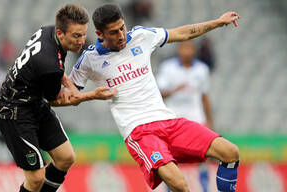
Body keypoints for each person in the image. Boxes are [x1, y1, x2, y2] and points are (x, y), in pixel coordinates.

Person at [62, 4, 240, 192]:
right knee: (179, 184)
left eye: (122, 27)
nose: (121, 35)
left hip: (168, 121)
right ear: (99, 34)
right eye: (113, 32)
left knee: (230, 152)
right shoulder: (90, 59)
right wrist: (92, 95)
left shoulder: (141, 36)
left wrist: (218, 22)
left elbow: (183, 33)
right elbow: (66, 97)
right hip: (140, 132)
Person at [0, 4, 116, 192]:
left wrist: (70, 85)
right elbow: (55, 100)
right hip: (14, 111)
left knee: (66, 157)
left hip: (32, 101)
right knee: (36, 178)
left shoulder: (48, 31)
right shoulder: (49, 64)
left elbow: (54, 67)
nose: (82, 41)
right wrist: (92, 95)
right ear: (60, 33)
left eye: (84, 34)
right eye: (76, 36)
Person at [157, 40, 214, 192]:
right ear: (179, 49)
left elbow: (204, 97)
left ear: (194, 50)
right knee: (170, 159)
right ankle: (169, 188)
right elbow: (159, 93)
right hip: (173, 118)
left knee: (203, 157)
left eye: (190, 47)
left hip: (196, 118)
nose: (187, 51)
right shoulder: (168, 68)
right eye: (184, 47)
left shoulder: (202, 69)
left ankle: (205, 187)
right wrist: (174, 90)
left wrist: (209, 122)